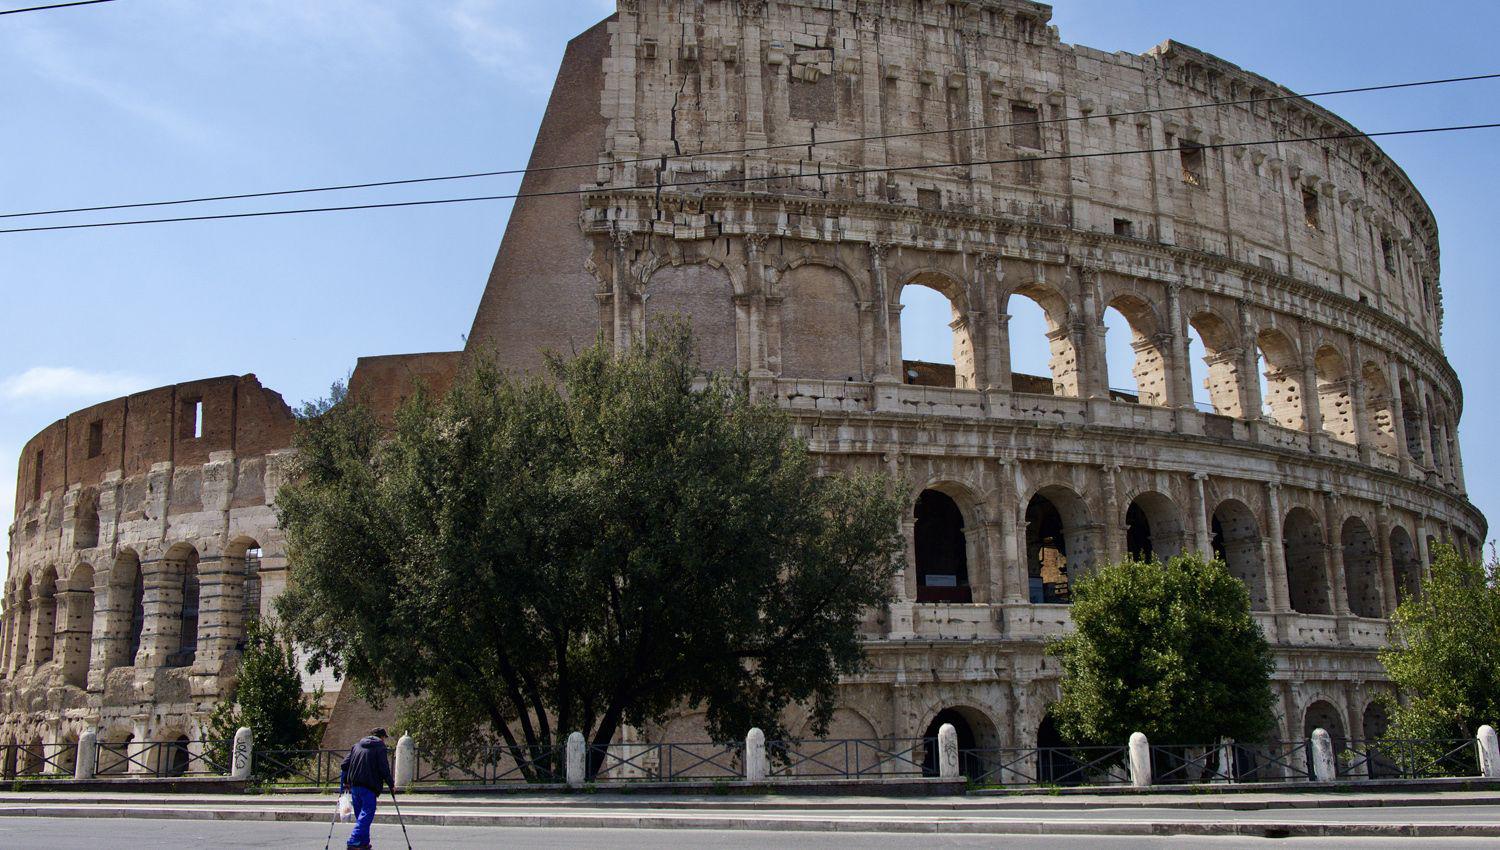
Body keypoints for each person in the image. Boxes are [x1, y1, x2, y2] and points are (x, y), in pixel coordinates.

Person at [339, 727, 395, 849]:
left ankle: (363, 842)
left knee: (361, 816)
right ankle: (353, 839)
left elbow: (344, 764)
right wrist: (391, 784)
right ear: (381, 737)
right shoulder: (380, 747)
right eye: (384, 738)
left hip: (355, 786)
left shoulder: (357, 745)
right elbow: (384, 768)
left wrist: (345, 782)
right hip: (369, 785)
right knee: (368, 813)